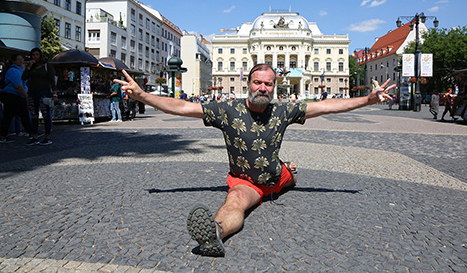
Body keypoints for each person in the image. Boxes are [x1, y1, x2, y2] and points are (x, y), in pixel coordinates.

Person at [114, 63, 396, 257]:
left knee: (290, 177)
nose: (263, 88)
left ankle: (290, 172)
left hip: (277, 175)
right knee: (235, 200)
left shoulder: (283, 111)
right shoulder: (226, 110)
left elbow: (325, 106)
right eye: (258, 82)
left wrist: (366, 100)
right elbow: (184, 107)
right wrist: (144, 96)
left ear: (275, 87)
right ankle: (214, 233)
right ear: (247, 83)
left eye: (268, 84)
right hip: (247, 183)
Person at [22, 48, 57, 145]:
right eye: (33, 55)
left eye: (37, 54)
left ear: (40, 55)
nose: (35, 57)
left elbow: (52, 80)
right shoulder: (31, 67)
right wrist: (29, 67)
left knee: (46, 115)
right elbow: (23, 77)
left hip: (44, 92)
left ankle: (47, 136)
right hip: (32, 93)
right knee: (34, 115)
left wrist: (54, 93)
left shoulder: (47, 66)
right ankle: (35, 137)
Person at [0, 54, 32, 144]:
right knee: (12, 116)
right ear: (14, 61)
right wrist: (26, 96)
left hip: (16, 96)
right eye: (18, 60)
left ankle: (31, 132)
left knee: (19, 115)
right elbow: (18, 86)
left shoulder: (19, 70)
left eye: (22, 59)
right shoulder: (14, 71)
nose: (21, 61)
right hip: (13, 96)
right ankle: (3, 135)